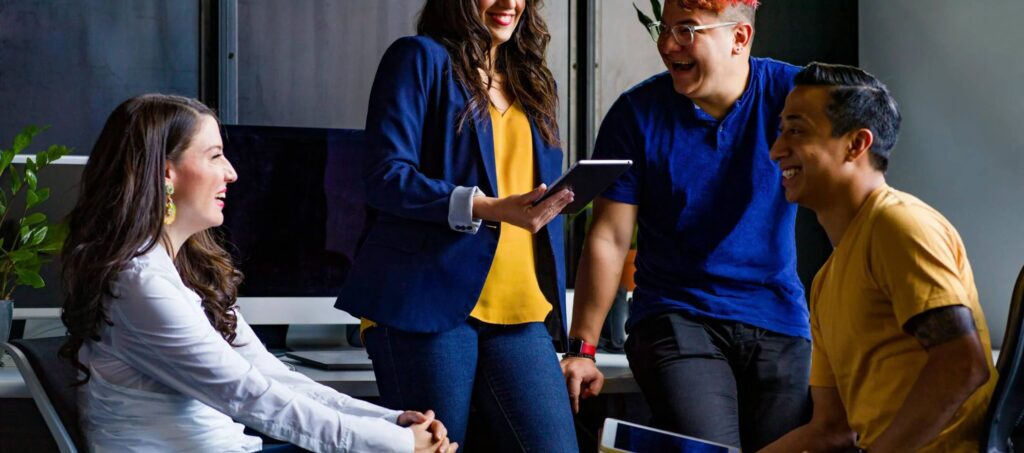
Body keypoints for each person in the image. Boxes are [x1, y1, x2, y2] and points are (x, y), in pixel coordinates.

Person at [59, 94, 455, 453]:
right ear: (166, 173)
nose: (231, 173)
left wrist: (389, 421)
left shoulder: (183, 272)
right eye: (215, 156)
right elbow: (250, 396)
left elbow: (271, 377)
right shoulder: (139, 283)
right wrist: (398, 446)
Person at [561, 0, 810, 450]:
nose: (666, 43)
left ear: (739, 38)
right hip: (675, 318)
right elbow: (610, 237)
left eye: (687, 29)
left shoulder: (794, 93)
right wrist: (582, 350)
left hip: (777, 319)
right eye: (665, 28)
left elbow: (863, 143)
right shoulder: (636, 114)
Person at [335, 0, 579, 450]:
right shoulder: (418, 58)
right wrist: (487, 207)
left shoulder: (534, 80)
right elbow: (386, 175)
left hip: (521, 306)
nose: (509, 3)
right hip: (427, 302)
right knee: (438, 448)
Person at [761, 63, 996, 452]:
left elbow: (963, 364)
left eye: (797, 131)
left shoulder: (897, 224)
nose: (776, 150)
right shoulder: (826, 280)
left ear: (856, 144)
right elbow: (831, 429)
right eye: (781, 130)